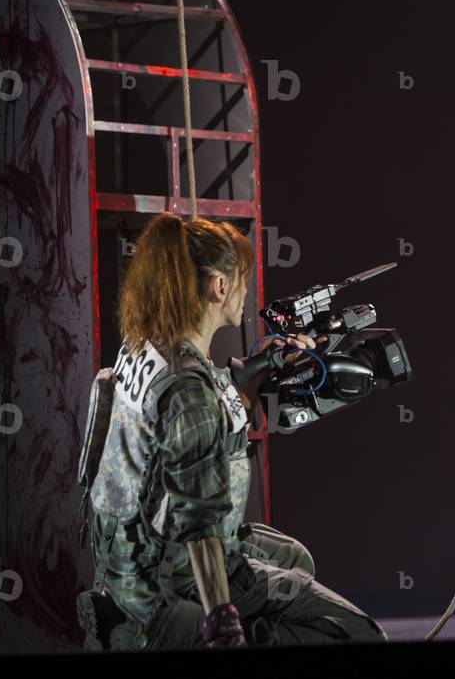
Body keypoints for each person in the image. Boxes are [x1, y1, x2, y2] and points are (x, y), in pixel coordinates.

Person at [76, 214, 386, 649]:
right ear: (219, 286)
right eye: (241, 279)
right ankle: (175, 633)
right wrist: (222, 620)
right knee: (360, 633)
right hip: (173, 572)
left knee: (296, 558)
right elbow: (198, 520)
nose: (246, 291)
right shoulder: (188, 389)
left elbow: (195, 433)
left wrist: (257, 375)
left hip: (127, 559)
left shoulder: (144, 350)